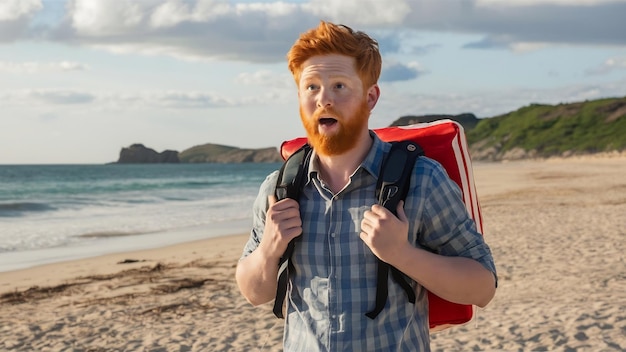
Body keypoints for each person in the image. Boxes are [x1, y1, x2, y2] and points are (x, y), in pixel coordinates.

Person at [235, 21, 497, 351]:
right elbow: (254, 292)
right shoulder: (280, 187)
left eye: (340, 86)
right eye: (311, 87)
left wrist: (403, 255)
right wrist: (269, 249)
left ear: (370, 97)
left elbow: (483, 287)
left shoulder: (422, 180)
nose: (323, 99)